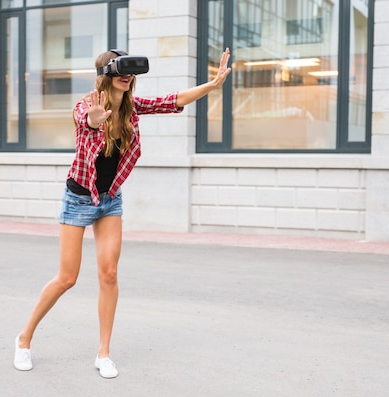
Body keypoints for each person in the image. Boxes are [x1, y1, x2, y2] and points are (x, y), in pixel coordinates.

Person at [14, 48, 232, 378]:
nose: (127, 77)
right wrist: (94, 120)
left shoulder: (132, 109)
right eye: (120, 72)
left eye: (131, 72)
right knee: (67, 278)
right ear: (106, 74)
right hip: (78, 198)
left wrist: (211, 85)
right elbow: (84, 121)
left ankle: (103, 353)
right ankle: (24, 338)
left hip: (109, 199)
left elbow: (170, 101)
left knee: (110, 273)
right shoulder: (86, 105)